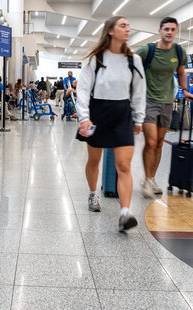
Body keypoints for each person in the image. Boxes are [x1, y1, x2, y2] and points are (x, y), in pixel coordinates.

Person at [75, 16, 146, 231]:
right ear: (111, 31)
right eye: (123, 25)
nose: (128, 29)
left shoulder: (134, 60)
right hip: (97, 113)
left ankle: (125, 213)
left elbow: (139, 91)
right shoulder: (95, 59)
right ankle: (92, 193)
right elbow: (83, 91)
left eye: (128, 25)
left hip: (122, 113)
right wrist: (84, 118)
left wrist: (139, 117)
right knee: (94, 160)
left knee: (123, 165)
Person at [136, 17, 193, 198]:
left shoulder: (179, 51)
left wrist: (185, 89)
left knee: (160, 143)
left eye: (173, 29)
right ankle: (146, 179)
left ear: (176, 32)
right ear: (160, 31)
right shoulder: (147, 50)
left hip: (167, 102)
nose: (169, 32)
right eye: (166, 29)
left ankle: (152, 178)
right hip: (148, 101)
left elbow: (181, 72)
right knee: (151, 141)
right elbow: (131, 65)